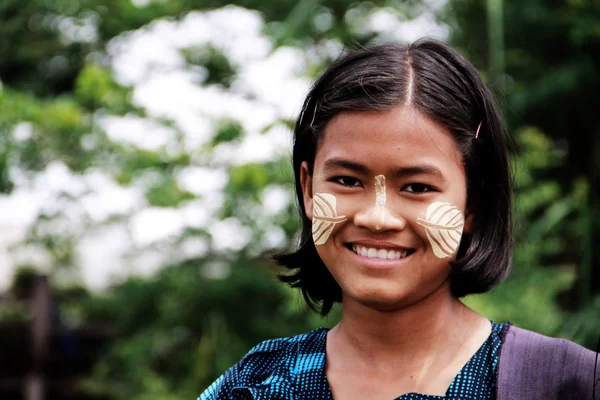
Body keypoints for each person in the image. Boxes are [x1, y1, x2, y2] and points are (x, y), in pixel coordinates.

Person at [198, 39, 599, 400]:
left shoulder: (569, 384)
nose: (378, 218)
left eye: (417, 187)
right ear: (307, 189)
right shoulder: (256, 386)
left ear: (473, 203)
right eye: (346, 180)